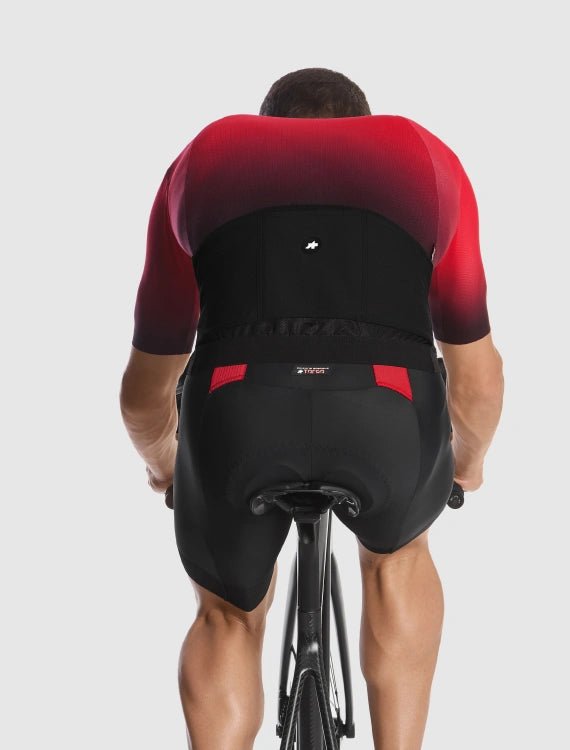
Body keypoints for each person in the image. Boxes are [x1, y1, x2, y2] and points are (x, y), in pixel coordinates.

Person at [120, 67, 504, 750]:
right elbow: (475, 377)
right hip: (386, 404)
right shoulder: (423, 155)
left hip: (238, 406)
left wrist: (166, 467)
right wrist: (467, 463)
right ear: (365, 124)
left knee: (227, 616)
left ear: (268, 125)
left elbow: (146, 390)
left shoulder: (206, 157)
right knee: (397, 560)